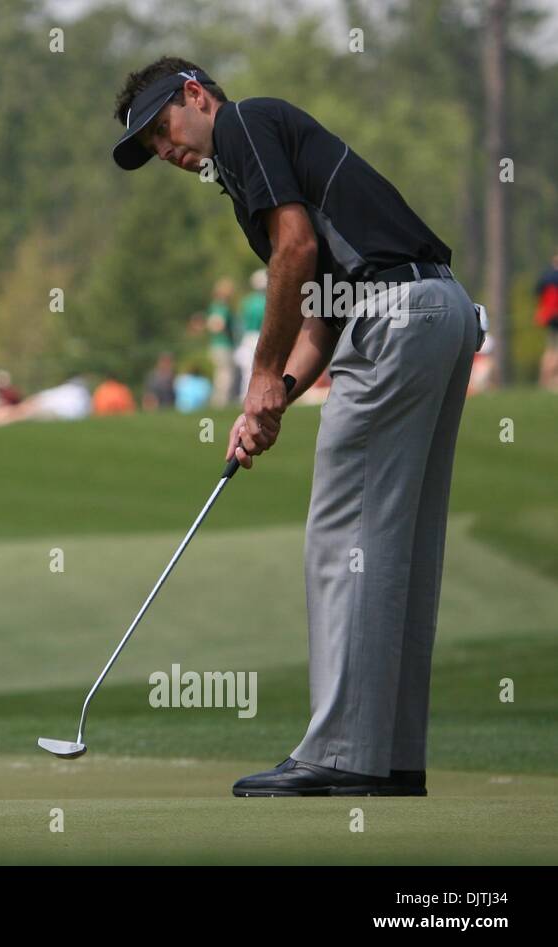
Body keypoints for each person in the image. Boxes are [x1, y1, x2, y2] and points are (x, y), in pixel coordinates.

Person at [114, 56, 481, 796]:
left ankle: (344, 754)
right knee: (398, 545)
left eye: (163, 128)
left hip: (397, 320)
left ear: (195, 96)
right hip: (440, 312)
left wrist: (255, 376)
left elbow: (296, 250)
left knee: (342, 537)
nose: (167, 150)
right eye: (153, 146)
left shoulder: (243, 125)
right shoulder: (258, 162)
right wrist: (276, 394)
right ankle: (388, 757)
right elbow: (320, 312)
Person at [206, 277, 239, 407]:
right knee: (225, 374)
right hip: (223, 344)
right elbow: (217, 324)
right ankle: (221, 401)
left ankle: (220, 400)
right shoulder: (221, 307)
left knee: (222, 373)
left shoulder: (215, 305)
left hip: (217, 344)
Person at [235, 269, 267, 400]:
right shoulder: (267, 301)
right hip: (260, 336)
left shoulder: (246, 302)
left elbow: (240, 323)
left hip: (247, 337)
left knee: (247, 370)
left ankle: (245, 395)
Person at [534, 252, 558, 391]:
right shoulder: (553, 277)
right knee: (554, 349)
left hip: (548, 315)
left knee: (550, 347)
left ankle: (545, 380)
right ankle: (550, 380)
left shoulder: (545, 276)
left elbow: (537, 292)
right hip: (555, 315)